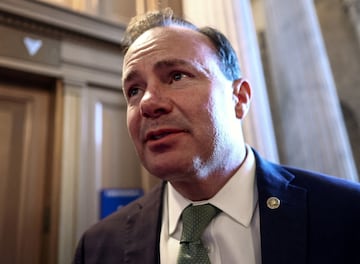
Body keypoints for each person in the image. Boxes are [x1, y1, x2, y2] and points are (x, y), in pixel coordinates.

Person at [73, 8, 360, 264]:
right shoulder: (98, 248)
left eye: (176, 76)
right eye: (134, 90)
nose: (147, 102)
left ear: (239, 98)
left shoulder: (346, 213)